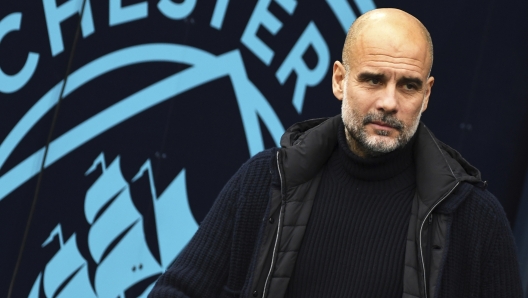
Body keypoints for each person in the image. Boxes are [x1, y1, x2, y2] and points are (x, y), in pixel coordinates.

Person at [149, 8, 522, 298]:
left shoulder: (473, 217)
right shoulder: (266, 180)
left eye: (408, 86)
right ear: (340, 80)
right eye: (373, 79)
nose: (389, 102)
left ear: (426, 95)